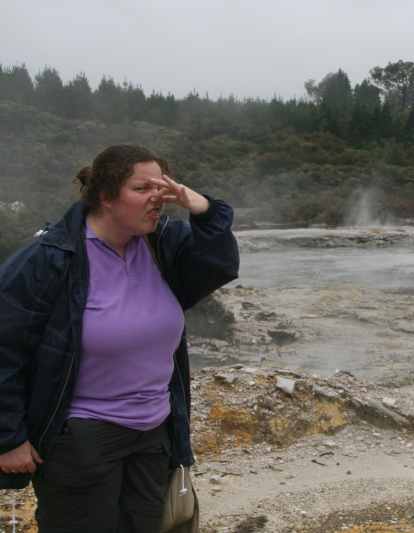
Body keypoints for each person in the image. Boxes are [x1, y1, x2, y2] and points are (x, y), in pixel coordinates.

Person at [0, 145, 239, 532]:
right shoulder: (51, 257)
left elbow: (220, 265)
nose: (157, 198)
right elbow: (5, 347)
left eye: (161, 188)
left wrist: (206, 210)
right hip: (80, 439)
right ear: (106, 197)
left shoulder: (162, 244)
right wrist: (8, 437)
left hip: (154, 433)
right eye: (142, 188)